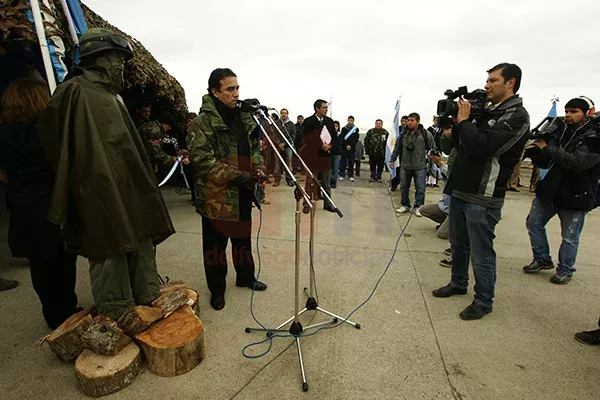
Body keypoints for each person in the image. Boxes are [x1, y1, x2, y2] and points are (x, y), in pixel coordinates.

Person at [37, 28, 175, 321]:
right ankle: (117, 312)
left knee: (139, 238)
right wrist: (83, 181)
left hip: (127, 185)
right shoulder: (74, 91)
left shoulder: (115, 97)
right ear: (97, 57)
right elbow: (54, 141)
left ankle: (146, 297)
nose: (121, 65)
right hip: (97, 188)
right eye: (116, 58)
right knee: (110, 246)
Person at [432, 62, 530, 320]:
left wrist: (464, 123)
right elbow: (460, 146)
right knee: (458, 245)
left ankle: (484, 300)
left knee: (481, 252)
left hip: (483, 196)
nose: (487, 85)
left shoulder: (517, 116)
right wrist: (455, 131)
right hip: (461, 189)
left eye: (493, 81)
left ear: (510, 83)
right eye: (487, 81)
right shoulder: (486, 111)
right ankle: (458, 282)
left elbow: (484, 147)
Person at [0, 78, 79, 328]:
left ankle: (52, 314)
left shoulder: (2, 134)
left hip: (23, 205)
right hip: (53, 203)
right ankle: (68, 309)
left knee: (39, 264)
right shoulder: (50, 131)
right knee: (64, 262)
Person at [187, 68, 267, 311]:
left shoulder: (243, 118)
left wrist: (258, 166)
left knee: (242, 241)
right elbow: (203, 163)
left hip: (243, 193)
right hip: (216, 199)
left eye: (237, 88)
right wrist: (239, 176)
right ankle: (217, 290)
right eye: (230, 89)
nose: (236, 93)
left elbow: (253, 148)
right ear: (214, 92)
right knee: (215, 250)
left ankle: (245, 277)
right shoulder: (201, 124)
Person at [523, 97, 600, 284]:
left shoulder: (595, 138)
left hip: (576, 193)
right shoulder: (562, 132)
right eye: (566, 111)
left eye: (574, 112)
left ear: (587, 113)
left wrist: (547, 148)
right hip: (551, 189)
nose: (568, 116)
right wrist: (536, 153)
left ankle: (565, 269)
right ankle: (542, 258)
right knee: (534, 222)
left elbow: (577, 162)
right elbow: (549, 161)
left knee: (570, 236)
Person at [390, 113, 434, 216]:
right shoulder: (403, 134)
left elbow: (432, 148)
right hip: (405, 166)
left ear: (418, 121)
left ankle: (418, 207)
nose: (409, 122)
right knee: (404, 187)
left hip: (420, 166)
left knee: (420, 188)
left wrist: (431, 161)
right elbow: (397, 148)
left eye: (412, 120)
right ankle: (405, 205)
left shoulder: (426, 134)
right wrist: (392, 160)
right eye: (408, 120)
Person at [299, 99, 336, 213]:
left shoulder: (329, 121)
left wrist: (330, 146)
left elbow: (334, 136)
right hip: (312, 155)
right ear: (317, 109)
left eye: (326, 107)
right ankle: (307, 203)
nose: (326, 109)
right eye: (324, 107)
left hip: (325, 156)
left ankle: (328, 203)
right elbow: (307, 138)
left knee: (326, 181)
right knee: (310, 180)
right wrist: (320, 145)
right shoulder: (308, 122)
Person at [275, 108, 297, 186]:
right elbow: (273, 134)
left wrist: (284, 144)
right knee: (277, 164)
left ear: (287, 114)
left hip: (287, 146)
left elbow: (293, 136)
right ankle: (277, 180)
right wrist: (278, 143)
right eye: (282, 113)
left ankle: (289, 179)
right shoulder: (276, 123)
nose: (283, 114)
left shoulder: (291, 124)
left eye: (285, 113)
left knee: (289, 163)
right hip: (278, 146)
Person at [389, 115, 408, 192]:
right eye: (402, 121)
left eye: (405, 121)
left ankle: (405, 187)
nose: (403, 123)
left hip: (406, 155)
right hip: (398, 154)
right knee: (396, 171)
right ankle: (394, 186)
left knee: (405, 173)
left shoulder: (409, 130)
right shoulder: (396, 129)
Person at [339, 116, 359, 182]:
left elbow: (355, 139)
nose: (350, 121)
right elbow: (342, 138)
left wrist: (351, 146)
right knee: (343, 162)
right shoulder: (344, 129)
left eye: (351, 120)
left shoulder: (356, 129)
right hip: (344, 148)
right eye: (349, 120)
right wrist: (346, 145)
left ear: (353, 121)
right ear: (347, 120)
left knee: (351, 162)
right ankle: (342, 175)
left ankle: (350, 175)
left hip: (352, 148)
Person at [331, 120, 342, 188]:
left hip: (337, 153)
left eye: (336, 126)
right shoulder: (330, 134)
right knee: (330, 169)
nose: (335, 127)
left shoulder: (339, 134)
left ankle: (334, 182)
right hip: (330, 153)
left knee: (335, 168)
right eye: (334, 126)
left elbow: (339, 143)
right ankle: (330, 181)